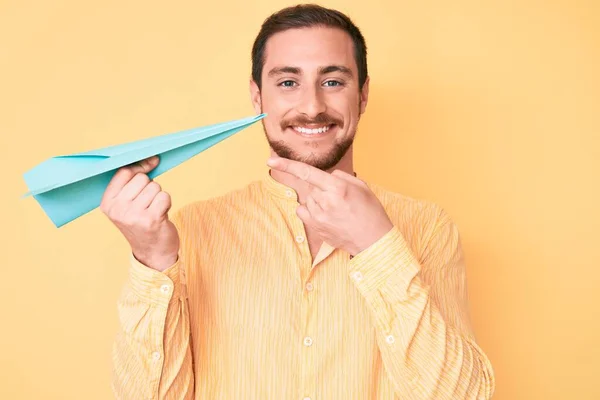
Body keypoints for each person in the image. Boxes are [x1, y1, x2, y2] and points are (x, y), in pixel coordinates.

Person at [106, 4, 495, 399]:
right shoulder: (192, 231)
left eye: (333, 82)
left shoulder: (427, 228)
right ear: (258, 97)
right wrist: (152, 260)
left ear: (362, 96)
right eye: (288, 83)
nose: (312, 107)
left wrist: (377, 247)